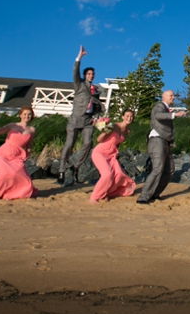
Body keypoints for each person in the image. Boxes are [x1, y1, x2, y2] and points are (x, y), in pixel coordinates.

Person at [58, 45, 103, 186]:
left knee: (88, 143)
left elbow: (97, 104)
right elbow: (74, 71)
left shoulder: (96, 89)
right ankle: (61, 170)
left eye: (92, 74)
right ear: (85, 75)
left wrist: (97, 116)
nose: (91, 76)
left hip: (88, 120)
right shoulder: (79, 85)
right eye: (89, 74)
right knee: (69, 143)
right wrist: (79, 57)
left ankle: (75, 167)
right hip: (76, 119)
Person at [136, 90, 187, 205]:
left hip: (165, 142)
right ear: (163, 97)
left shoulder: (166, 108)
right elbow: (158, 116)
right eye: (171, 95)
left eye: (173, 95)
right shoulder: (159, 106)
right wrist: (175, 114)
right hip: (157, 140)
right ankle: (143, 196)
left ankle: (155, 193)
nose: (173, 97)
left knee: (170, 169)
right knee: (157, 168)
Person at [0, 107, 37, 201]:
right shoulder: (12, 125)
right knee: (5, 174)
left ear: (32, 116)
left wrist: (28, 154)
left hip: (17, 155)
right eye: (25, 114)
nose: (27, 116)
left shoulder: (32, 130)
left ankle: (15, 193)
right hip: (3, 154)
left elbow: (28, 145)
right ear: (20, 115)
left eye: (29, 114)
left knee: (21, 176)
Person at [89, 109, 136, 204]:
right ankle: (94, 197)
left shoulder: (127, 131)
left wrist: (115, 152)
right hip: (100, 152)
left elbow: (118, 142)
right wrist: (106, 131)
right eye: (127, 116)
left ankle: (105, 193)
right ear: (122, 117)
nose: (129, 118)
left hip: (112, 154)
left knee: (118, 174)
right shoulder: (113, 125)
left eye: (131, 116)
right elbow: (99, 139)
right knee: (107, 174)